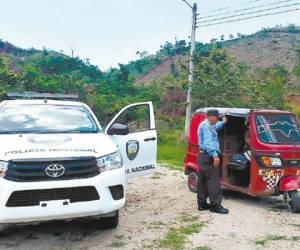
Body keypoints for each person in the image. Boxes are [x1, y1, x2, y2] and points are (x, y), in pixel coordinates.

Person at [197, 109, 229, 214]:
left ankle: (202, 204)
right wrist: (215, 155)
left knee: (202, 181)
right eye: (217, 117)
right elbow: (208, 142)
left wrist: (223, 122)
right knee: (213, 182)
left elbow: (216, 127)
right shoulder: (206, 126)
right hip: (208, 156)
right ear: (211, 116)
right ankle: (216, 206)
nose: (217, 119)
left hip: (203, 156)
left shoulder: (208, 124)